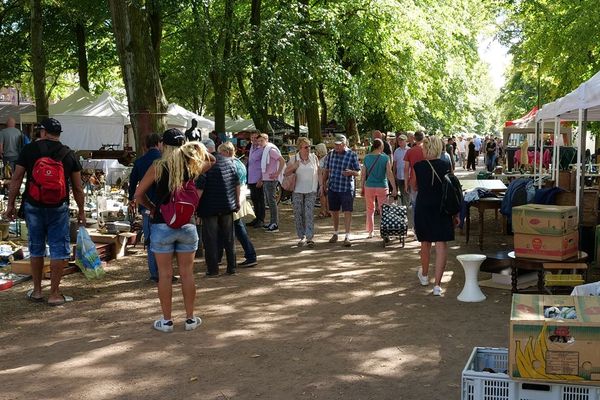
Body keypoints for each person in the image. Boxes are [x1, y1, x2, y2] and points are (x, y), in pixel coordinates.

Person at [134, 128, 212, 332]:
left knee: (165, 275)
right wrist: (195, 146)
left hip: (161, 224)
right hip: (187, 224)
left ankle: (167, 321)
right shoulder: (191, 164)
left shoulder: (158, 166)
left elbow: (138, 194)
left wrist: (152, 207)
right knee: (187, 274)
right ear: (182, 144)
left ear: (162, 145)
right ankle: (190, 318)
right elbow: (212, 159)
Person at [4, 117, 85, 306]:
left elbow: (16, 179)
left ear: (43, 132)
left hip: (33, 205)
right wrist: (81, 211)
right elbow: (78, 188)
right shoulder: (68, 154)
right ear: (58, 134)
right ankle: (55, 294)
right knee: (58, 249)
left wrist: (11, 205)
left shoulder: (29, 150)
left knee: (36, 247)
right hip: (58, 207)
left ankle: (37, 291)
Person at [413, 136, 457, 296]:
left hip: (424, 206)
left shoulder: (418, 166)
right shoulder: (446, 165)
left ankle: (424, 275)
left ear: (426, 148)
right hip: (442, 208)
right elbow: (452, 188)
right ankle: (437, 285)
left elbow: (414, 186)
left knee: (425, 243)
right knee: (441, 245)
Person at [196, 138, 240, 276]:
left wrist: (195, 207)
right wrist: (237, 202)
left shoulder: (204, 164)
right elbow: (236, 183)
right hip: (227, 205)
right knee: (229, 237)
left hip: (209, 208)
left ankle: (213, 269)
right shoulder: (229, 161)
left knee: (210, 239)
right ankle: (232, 267)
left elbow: (200, 189)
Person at [128, 133, 162, 283]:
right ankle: (164, 271)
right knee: (164, 240)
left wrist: (131, 199)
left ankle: (154, 272)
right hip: (164, 205)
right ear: (159, 143)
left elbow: (132, 182)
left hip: (146, 204)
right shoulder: (164, 161)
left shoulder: (140, 161)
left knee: (150, 240)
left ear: (145, 145)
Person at [217, 141, 257, 268]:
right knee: (234, 229)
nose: (219, 155)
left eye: (221, 152)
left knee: (237, 229)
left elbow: (235, 185)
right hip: (238, 199)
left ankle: (250, 255)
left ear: (227, 152)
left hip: (235, 200)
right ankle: (218, 256)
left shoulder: (233, 164)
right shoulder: (238, 163)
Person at [321, 134, 360, 247]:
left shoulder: (352, 155)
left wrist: (351, 172)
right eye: (335, 145)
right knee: (334, 211)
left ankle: (347, 236)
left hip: (346, 187)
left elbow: (358, 172)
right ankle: (335, 233)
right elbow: (326, 170)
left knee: (347, 211)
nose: (337, 147)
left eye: (339, 145)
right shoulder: (330, 154)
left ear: (344, 144)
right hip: (333, 187)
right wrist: (323, 184)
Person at [284, 137, 319, 247]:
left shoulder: (314, 157)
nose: (308, 149)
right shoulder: (294, 158)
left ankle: (309, 237)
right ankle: (301, 236)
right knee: (298, 214)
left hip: (311, 190)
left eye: (309, 146)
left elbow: (319, 172)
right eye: (306, 147)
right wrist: (294, 166)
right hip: (297, 190)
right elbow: (285, 173)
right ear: (300, 148)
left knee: (308, 213)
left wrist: (321, 186)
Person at [362, 138, 397, 238]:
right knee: (384, 210)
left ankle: (370, 231)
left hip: (369, 186)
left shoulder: (367, 158)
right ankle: (385, 231)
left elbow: (363, 174)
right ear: (381, 147)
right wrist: (394, 187)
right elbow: (389, 174)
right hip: (382, 186)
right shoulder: (385, 158)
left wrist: (362, 187)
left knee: (370, 209)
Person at [257, 133, 285, 232]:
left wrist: (277, 173)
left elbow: (282, 160)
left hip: (271, 179)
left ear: (266, 140)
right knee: (269, 201)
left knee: (272, 201)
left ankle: (275, 224)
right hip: (267, 179)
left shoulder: (271, 150)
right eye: (258, 141)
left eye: (261, 141)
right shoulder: (266, 150)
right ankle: (272, 222)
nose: (260, 143)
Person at [403, 130, 425, 228]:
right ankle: (425, 226)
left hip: (413, 181)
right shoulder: (427, 150)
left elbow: (406, 169)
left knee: (415, 205)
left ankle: (417, 228)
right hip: (426, 181)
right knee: (425, 205)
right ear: (423, 138)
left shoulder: (410, 151)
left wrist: (406, 183)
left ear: (414, 139)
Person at [246, 131, 265, 229]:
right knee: (254, 198)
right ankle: (256, 218)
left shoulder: (262, 149)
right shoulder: (251, 148)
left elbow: (264, 165)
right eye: (252, 137)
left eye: (255, 138)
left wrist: (261, 179)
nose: (253, 139)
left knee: (260, 199)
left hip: (258, 178)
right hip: (251, 178)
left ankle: (261, 219)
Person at [314, 143, 331, 219]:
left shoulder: (324, 159)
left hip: (324, 179)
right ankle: (327, 211)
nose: (315, 152)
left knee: (322, 195)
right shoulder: (326, 157)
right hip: (325, 179)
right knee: (325, 195)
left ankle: (323, 211)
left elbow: (323, 170)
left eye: (316, 150)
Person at [392, 133, 409, 207]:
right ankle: (404, 205)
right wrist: (394, 173)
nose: (400, 142)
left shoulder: (409, 150)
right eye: (399, 140)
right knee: (402, 191)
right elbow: (394, 163)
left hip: (407, 175)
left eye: (402, 140)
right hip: (399, 175)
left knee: (407, 191)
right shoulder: (396, 151)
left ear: (406, 141)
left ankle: (407, 204)